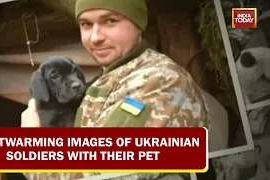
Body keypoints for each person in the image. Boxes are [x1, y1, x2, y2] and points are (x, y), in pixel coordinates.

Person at [22, 0, 209, 179]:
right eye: (86, 24)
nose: (95, 37)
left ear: (138, 25)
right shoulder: (108, 79)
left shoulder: (160, 81)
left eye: (110, 21)